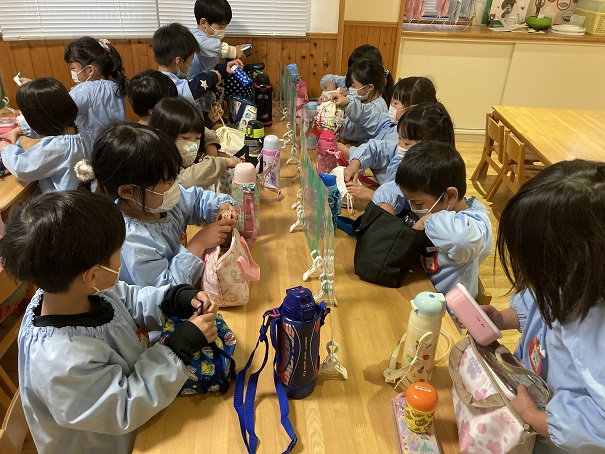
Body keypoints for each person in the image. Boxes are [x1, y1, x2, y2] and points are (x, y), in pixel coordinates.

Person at [0, 190, 218, 453]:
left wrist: (173, 298)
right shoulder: (61, 362)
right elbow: (125, 405)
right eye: (118, 252)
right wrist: (179, 347)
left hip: (140, 410)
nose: (121, 258)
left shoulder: (74, 292)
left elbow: (128, 298)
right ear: (92, 275)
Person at [474, 160, 605, 452]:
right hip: (529, 395)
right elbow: (532, 307)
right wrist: (502, 318)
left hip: (556, 437)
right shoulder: (561, 281)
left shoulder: (596, 333)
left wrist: (534, 417)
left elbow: (598, 425)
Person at [76, 122, 236, 288]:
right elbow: (166, 292)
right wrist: (199, 243)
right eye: (168, 181)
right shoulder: (131, 241)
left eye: (175, 176)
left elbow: (196, 200)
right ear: (128, 191)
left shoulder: (156, 201)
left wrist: (221, 206)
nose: (175, 185)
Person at [395, 141, 492, 298]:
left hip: (447, 307)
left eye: (418, 203)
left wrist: (427, 221)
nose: (413, 208)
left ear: (450, 196)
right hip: (420, 284)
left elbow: (462, 242)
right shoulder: (435, 202)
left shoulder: (475, 222)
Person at [18, 37, 127, 141]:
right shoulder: (114, 86)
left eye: (73, 68)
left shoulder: (85, 90)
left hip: (92, 149)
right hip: (114, 146)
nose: (73, 72)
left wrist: (23, 129)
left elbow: (56, 113)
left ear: (90, 70)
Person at [345, 102, 454, 207]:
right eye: (399, 138)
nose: (399, 145)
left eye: (406, 143)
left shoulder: (431, 175)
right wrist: (355, 162)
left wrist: (373, 195)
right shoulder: (402, 150)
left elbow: (408, 202)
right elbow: (376, 149)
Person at [0, 78, 91, 194]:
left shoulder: (57, 146)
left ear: (38, 119)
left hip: (61, 201)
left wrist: (6, 148)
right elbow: (48, 129)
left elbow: (21, 168)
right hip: (80, 196)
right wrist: (18, 132)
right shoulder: (79, 130)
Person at [343, 77, 439, 183]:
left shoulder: (408, 138)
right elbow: (371, 118)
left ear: (413, 109)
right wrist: (347, 103)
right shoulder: (393, 122)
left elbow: (382, 151)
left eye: (395, 103)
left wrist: (348, 151)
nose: (391, 106)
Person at [148, 97, 239, 190]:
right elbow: (185, 181)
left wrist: (211, 148)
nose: (193, 146)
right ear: (162, 135)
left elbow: (205, 132)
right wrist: (221, 162)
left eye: (197, 138)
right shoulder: (157, 162)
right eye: (185, 138)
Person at [128, 72, 223, 157]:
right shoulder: (145, 145)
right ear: (153, 111)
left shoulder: (168, 125)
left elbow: (197, 135)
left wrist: (209, 121)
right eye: (171, 104)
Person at [151, 22, 243, 106]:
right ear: (178, 61)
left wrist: (221, 69)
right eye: (191, 60)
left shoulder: (172, 78)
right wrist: (214, 75)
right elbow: (196, 86)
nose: (191, 65)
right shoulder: (167, 87)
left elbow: (194, 80)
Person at [328, 59, 394, 144]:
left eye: (353, 86)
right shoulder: (365, 99)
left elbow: (349, 132)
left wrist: (332, 114)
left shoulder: (377, 108)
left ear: (370, 87)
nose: (351, 89)